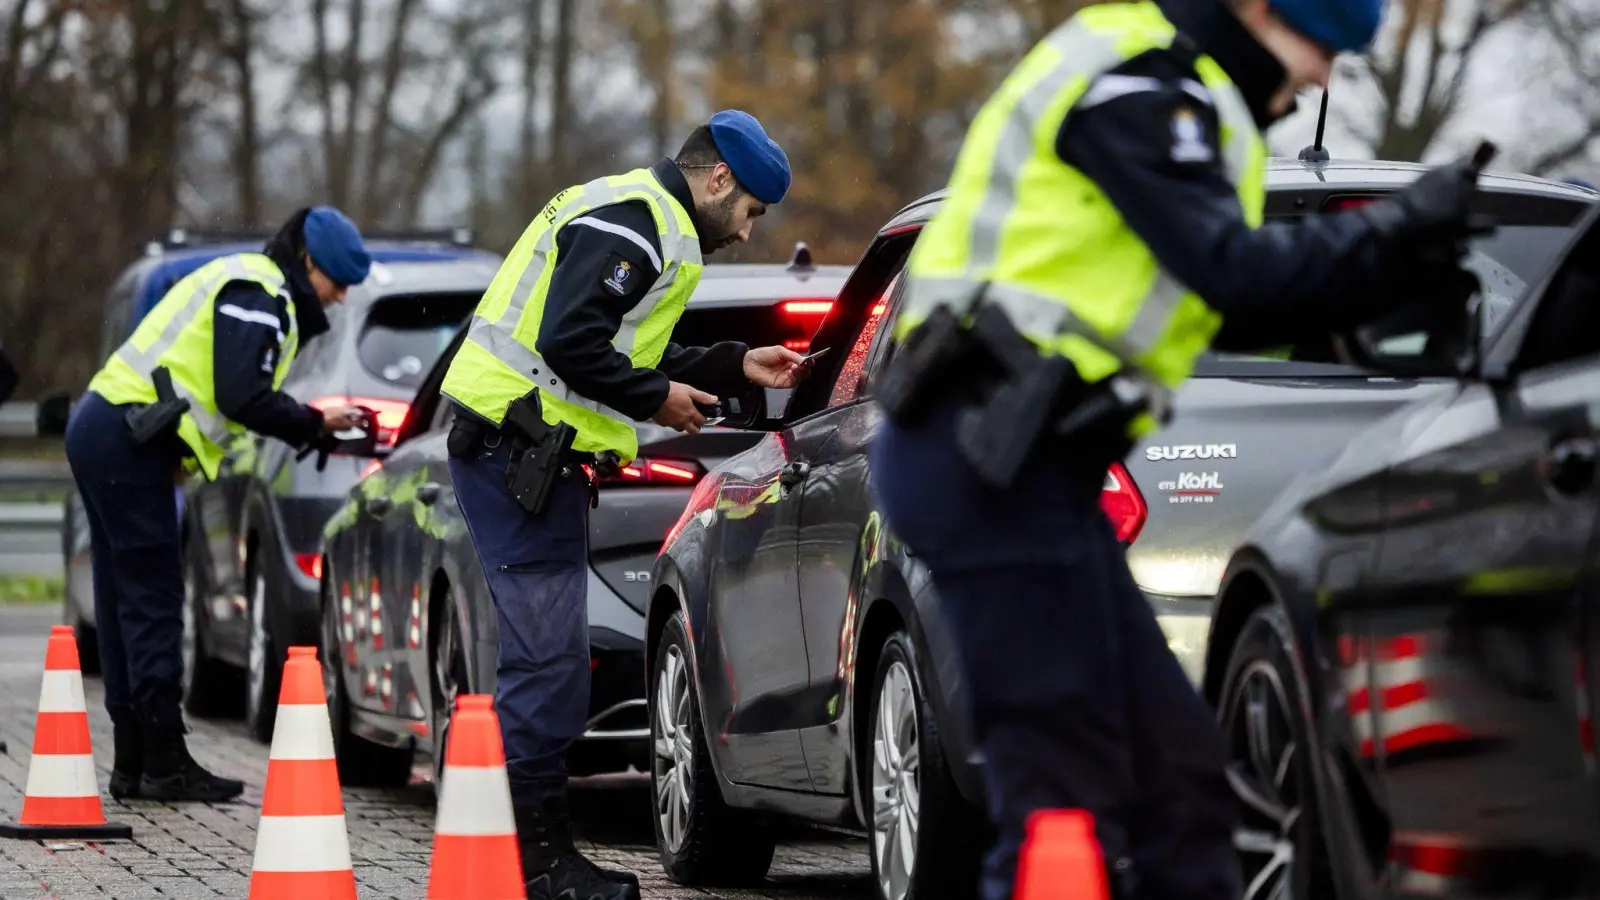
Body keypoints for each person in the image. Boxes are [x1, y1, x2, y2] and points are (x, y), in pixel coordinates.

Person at [867, 1, 1491, 898]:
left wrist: (1385, 270)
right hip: (986, 456)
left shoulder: (1186, 101)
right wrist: (1395, 231)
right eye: (1321, 47)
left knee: (1179, 781)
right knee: (1062, 808)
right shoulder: (1141, 83)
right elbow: (1231, 268)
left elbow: (1233, 297)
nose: (1323, 76)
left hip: (1030, 466)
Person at [437, 111, 806, 900]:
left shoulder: (641, 217)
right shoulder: (637, 225)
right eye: (749, 212)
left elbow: (627, 348)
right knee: (547, 665)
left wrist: (738, 364)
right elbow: (574, 340)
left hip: (524, 455)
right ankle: (536, 868)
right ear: (719, 181)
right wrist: (656, 396)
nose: (746, 234)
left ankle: (512, 858)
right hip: (517, 453)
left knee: (548, 664)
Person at [66, 207, 371, 803]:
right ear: (308, 263)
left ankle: (134, 761)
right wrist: (312, 422)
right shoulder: (261, 290)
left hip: (113, 430)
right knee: (152, 599)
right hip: (129, 437)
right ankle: (163, 762)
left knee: (125, 597)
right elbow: (241, 394)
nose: (339, 298)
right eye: (337, 282)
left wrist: (313, 425)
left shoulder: (250, 282)